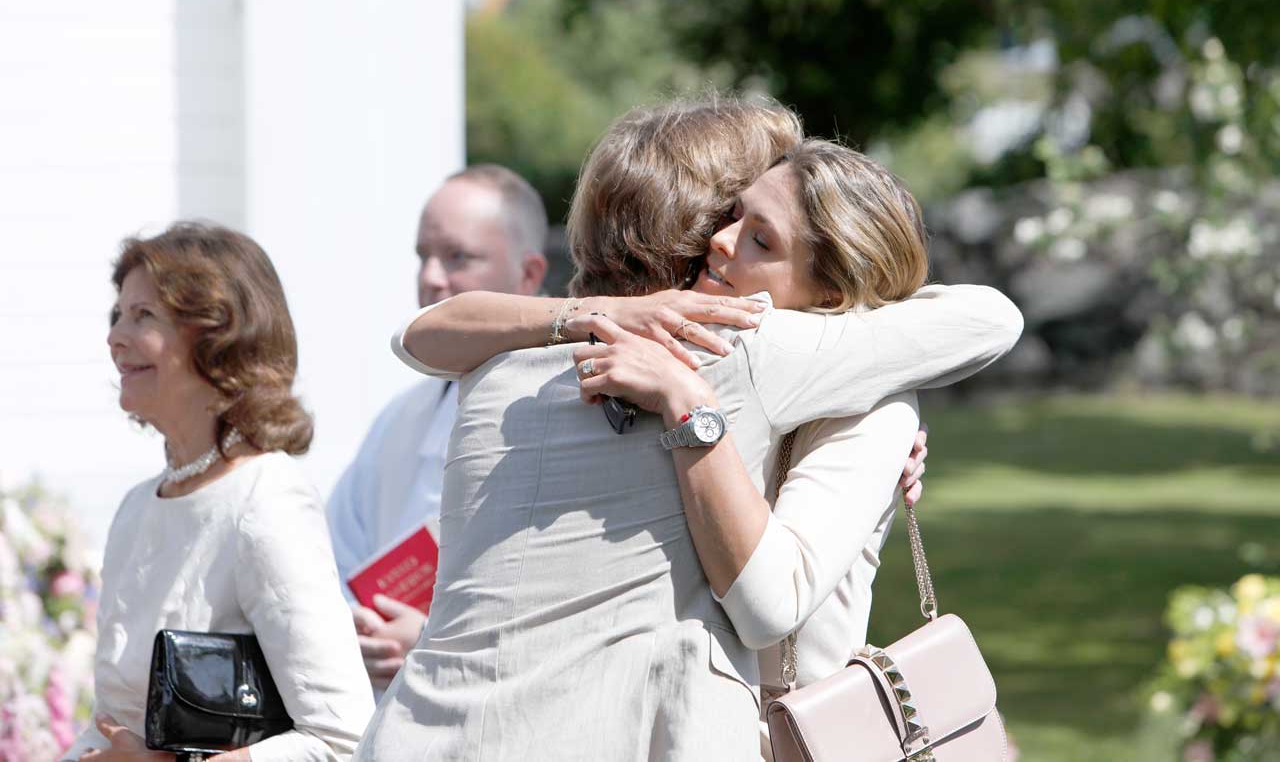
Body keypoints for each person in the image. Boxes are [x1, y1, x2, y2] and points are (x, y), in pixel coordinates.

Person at [354, 96, 1022, 760]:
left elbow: (416, 338)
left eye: (760, 235)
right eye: (731, 215)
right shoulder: (745, 348)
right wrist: (691, 406)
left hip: (415, 734)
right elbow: (990, 320)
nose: (724, 242)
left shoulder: (497, 370)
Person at [67, 223, 373, 761]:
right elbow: (110, 728)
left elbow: (340, 740)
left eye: (144, 316)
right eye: (118, 314)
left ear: (218, 338)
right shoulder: (137, 509)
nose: (115, 336)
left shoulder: (265, 498)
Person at [325, 165, 551, 690]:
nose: (430, 277)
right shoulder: (399, 419)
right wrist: (359, 631)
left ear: (530, 275)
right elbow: (337, 555)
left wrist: (430, 640)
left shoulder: (570, 405)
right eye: (422, 256)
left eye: (458, 257)